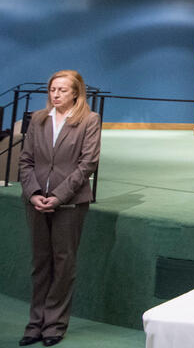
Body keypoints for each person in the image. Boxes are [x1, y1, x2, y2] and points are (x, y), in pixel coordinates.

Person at [18, 70, 101, 347]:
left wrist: (58, 196)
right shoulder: (38, 119)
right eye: (53, 89)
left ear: (76, 93)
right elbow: (26, 161)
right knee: (40, 263)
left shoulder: (89, 120)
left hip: (70, 203)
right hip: (36, 202)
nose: (56, 94)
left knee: (63, 264)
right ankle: (35, 324)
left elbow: (87, 164)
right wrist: (33, 194)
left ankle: (54, 325)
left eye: (62, 90)